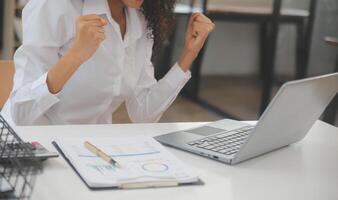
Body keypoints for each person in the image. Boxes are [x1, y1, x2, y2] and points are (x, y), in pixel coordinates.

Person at [1, 0, 215, 126]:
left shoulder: (140, 19)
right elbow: (21, 113)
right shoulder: (55, 6)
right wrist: (75, 56)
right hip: (29, 153)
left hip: (89, 153)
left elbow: (143, 112)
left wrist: (189, 53)